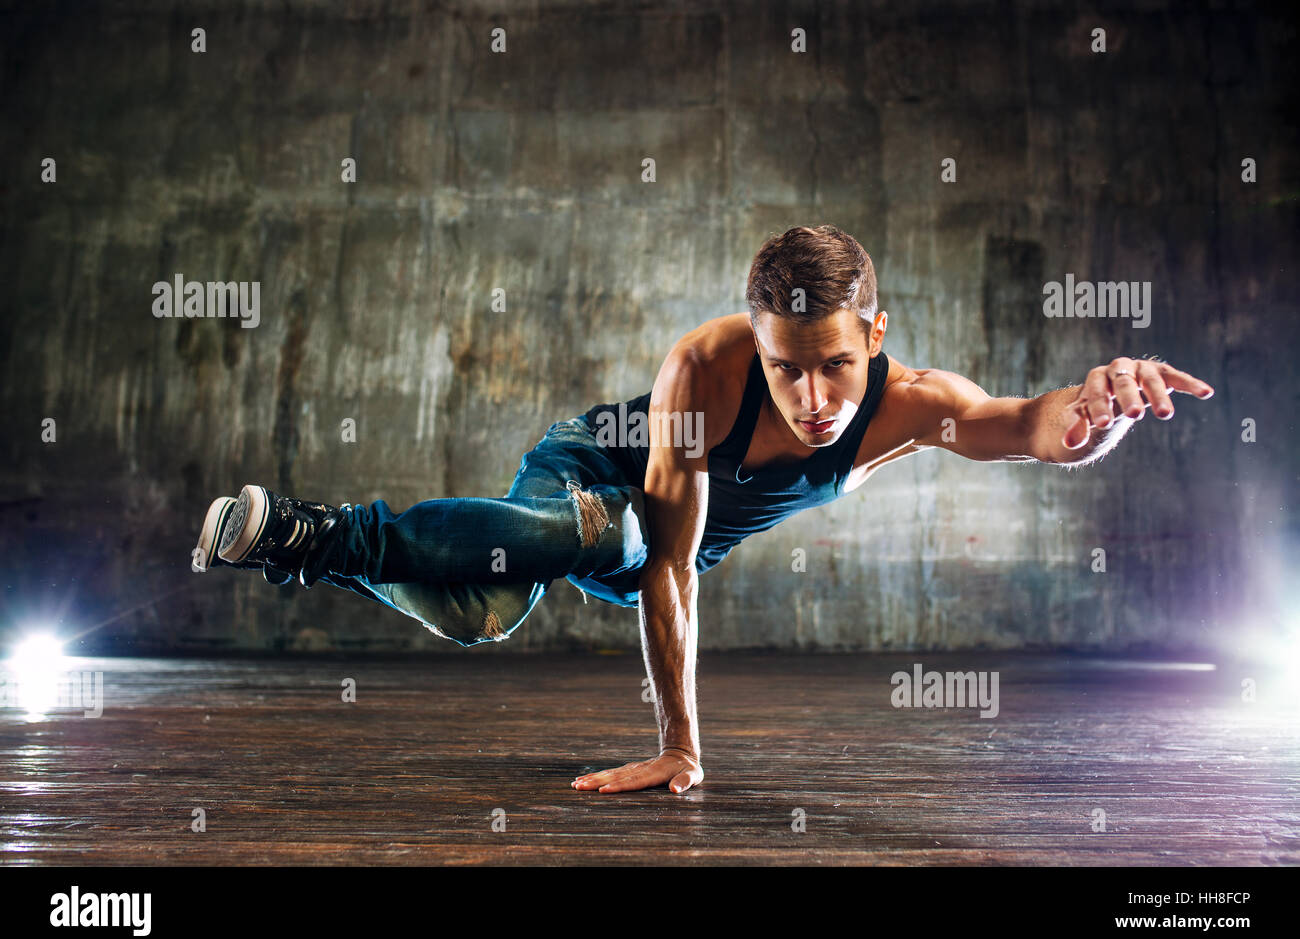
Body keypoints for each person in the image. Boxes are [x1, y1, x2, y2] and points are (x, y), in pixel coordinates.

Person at [192, 225, 1216, 795]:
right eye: (786, 369)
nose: (813, 400)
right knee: (611, 534)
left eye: (836, 367)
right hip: (590, 475)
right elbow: (668, 560)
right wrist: (681, 739)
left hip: (632, 543)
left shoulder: (916, 407)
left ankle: (324, 552)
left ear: (877, 331)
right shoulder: (703, 368)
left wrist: (1099, 410)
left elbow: (1032, 426)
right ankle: (317, 531)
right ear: (756, 345)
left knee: (480, 614)